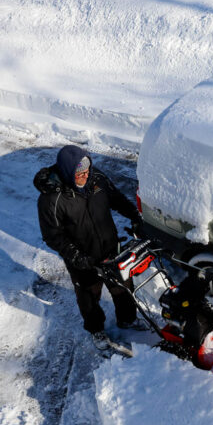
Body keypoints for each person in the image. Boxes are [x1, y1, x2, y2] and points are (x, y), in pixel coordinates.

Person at [34, 145, 146, 350]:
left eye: (87, 171)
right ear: (68, 172)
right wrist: (76, 256)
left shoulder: (97, 179)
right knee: (89, 297)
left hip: (110, 247)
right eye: (80, 174)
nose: (85, 176)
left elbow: (117, 199)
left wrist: (135, 217)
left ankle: (127, 320)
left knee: (122, 287)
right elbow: (52, 235)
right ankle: (96, 331)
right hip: (82, 257)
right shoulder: (51, 199)